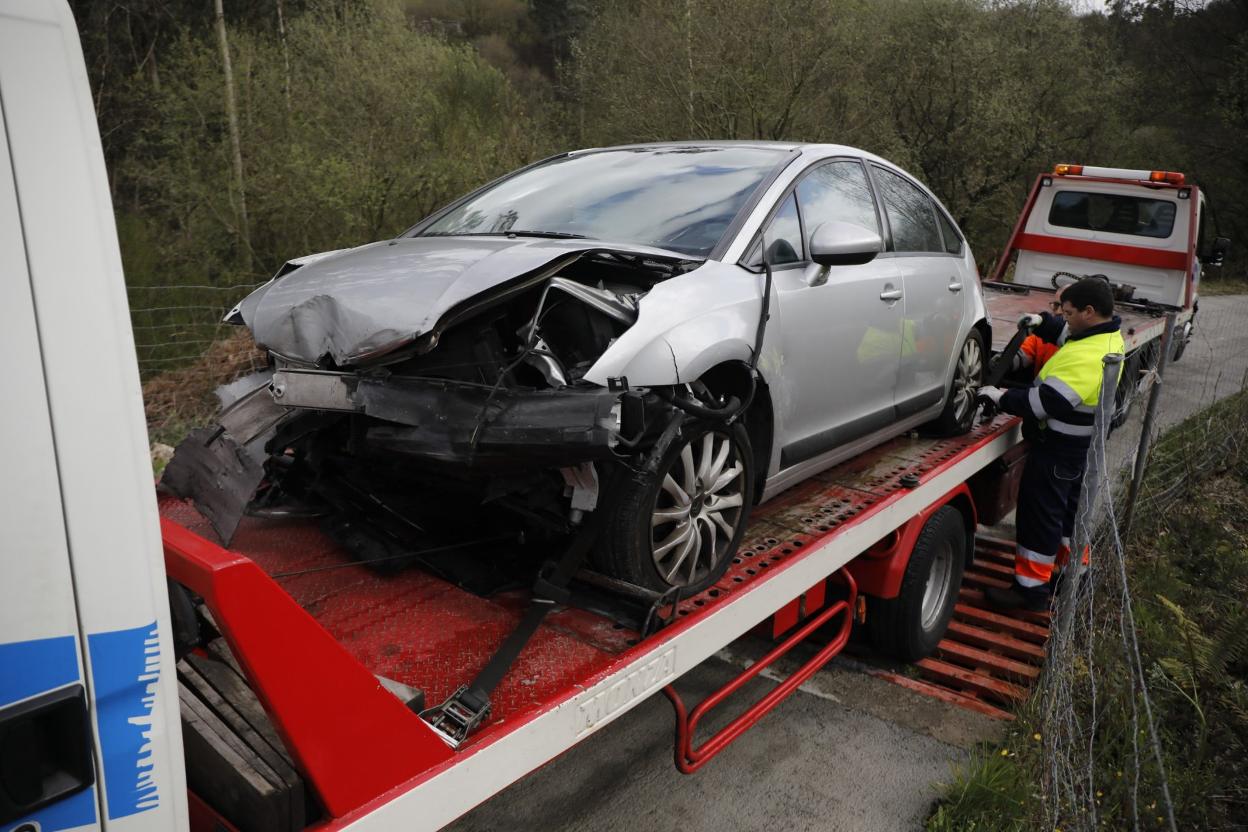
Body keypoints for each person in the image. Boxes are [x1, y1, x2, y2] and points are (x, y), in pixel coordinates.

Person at [976, 277, 1125, 611]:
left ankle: (1029, 592)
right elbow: (1068, 335)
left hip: (1057, 451)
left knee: (1041, 517)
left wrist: (1000, 397)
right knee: (1070, 517)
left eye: (1069, 312)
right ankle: (1074, 577)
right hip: (1078, 450)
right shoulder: (1106, 337)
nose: (1065, 317)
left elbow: (1045, 402)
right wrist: (1044, 323)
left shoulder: (1087, 358)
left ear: (1089, 311)